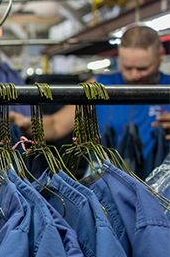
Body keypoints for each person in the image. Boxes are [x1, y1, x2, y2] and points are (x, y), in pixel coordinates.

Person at [10, 25, 169, 159]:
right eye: (127, 67)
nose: (134, 75)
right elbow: (56, 125)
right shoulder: (99, 87)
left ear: (160, 56)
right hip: (109, 187)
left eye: (143, 69)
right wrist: (26, 123)